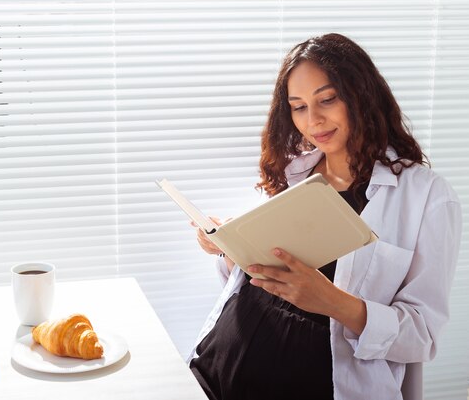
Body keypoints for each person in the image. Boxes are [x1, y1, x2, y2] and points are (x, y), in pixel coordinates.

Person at [187, 33, 462, 400]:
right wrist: (229, 248)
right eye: (298, 106)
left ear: (362, 95)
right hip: (214, 367)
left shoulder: (426, 197)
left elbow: (421, 336)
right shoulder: (294, 174)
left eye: (327, 100)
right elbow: (251, 280)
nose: (313, 120)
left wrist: (329, 300)